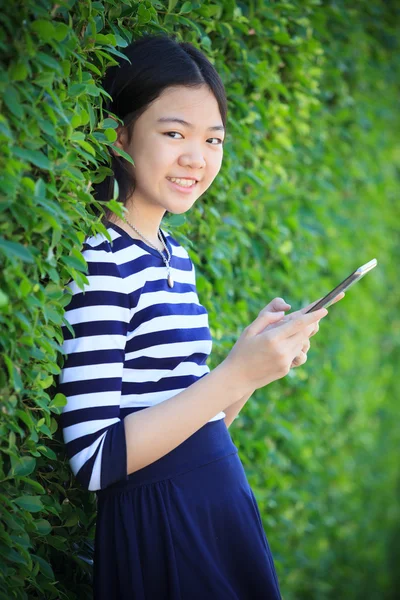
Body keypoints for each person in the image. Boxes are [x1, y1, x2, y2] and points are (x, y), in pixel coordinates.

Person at [58, 34, 339, 600]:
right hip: (163, 528)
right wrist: (234, 374)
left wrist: (249, 368)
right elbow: (95, 458)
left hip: (214, 506)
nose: (197, 157)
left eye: (213, 139)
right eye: (173, 133)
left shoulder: (172, 254)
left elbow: (194, 428)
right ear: (119, 135)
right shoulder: (100, 258)